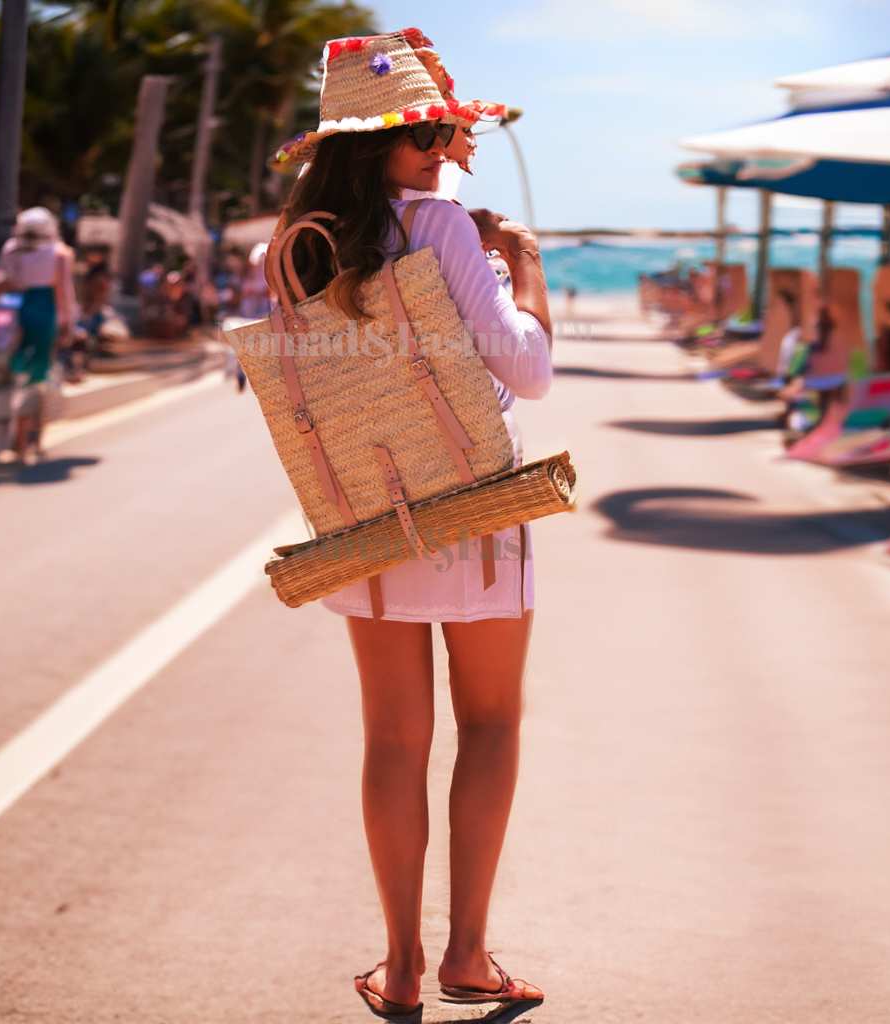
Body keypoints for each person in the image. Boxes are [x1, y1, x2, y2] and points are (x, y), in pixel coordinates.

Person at [266, 27, 552, 1020]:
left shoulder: (297, 245)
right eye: (421, 137)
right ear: (374, 144)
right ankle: (466, 952)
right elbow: (525, 370)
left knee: (392, 738)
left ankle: (396, 966)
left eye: (439, 134)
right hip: (472, 499)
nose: (438, 154)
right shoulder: (443, 227)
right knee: (491, 722)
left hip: (367, 512)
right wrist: (521, 267)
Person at [0, 206, 77, 463]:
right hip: (44, 313)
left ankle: (19, 439)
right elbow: (65, 293)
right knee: (40, 376)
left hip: (14, 314)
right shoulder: (60, 253)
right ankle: (31, 439)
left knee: (20, 375)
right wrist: (68, 323)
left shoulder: (12, 249)